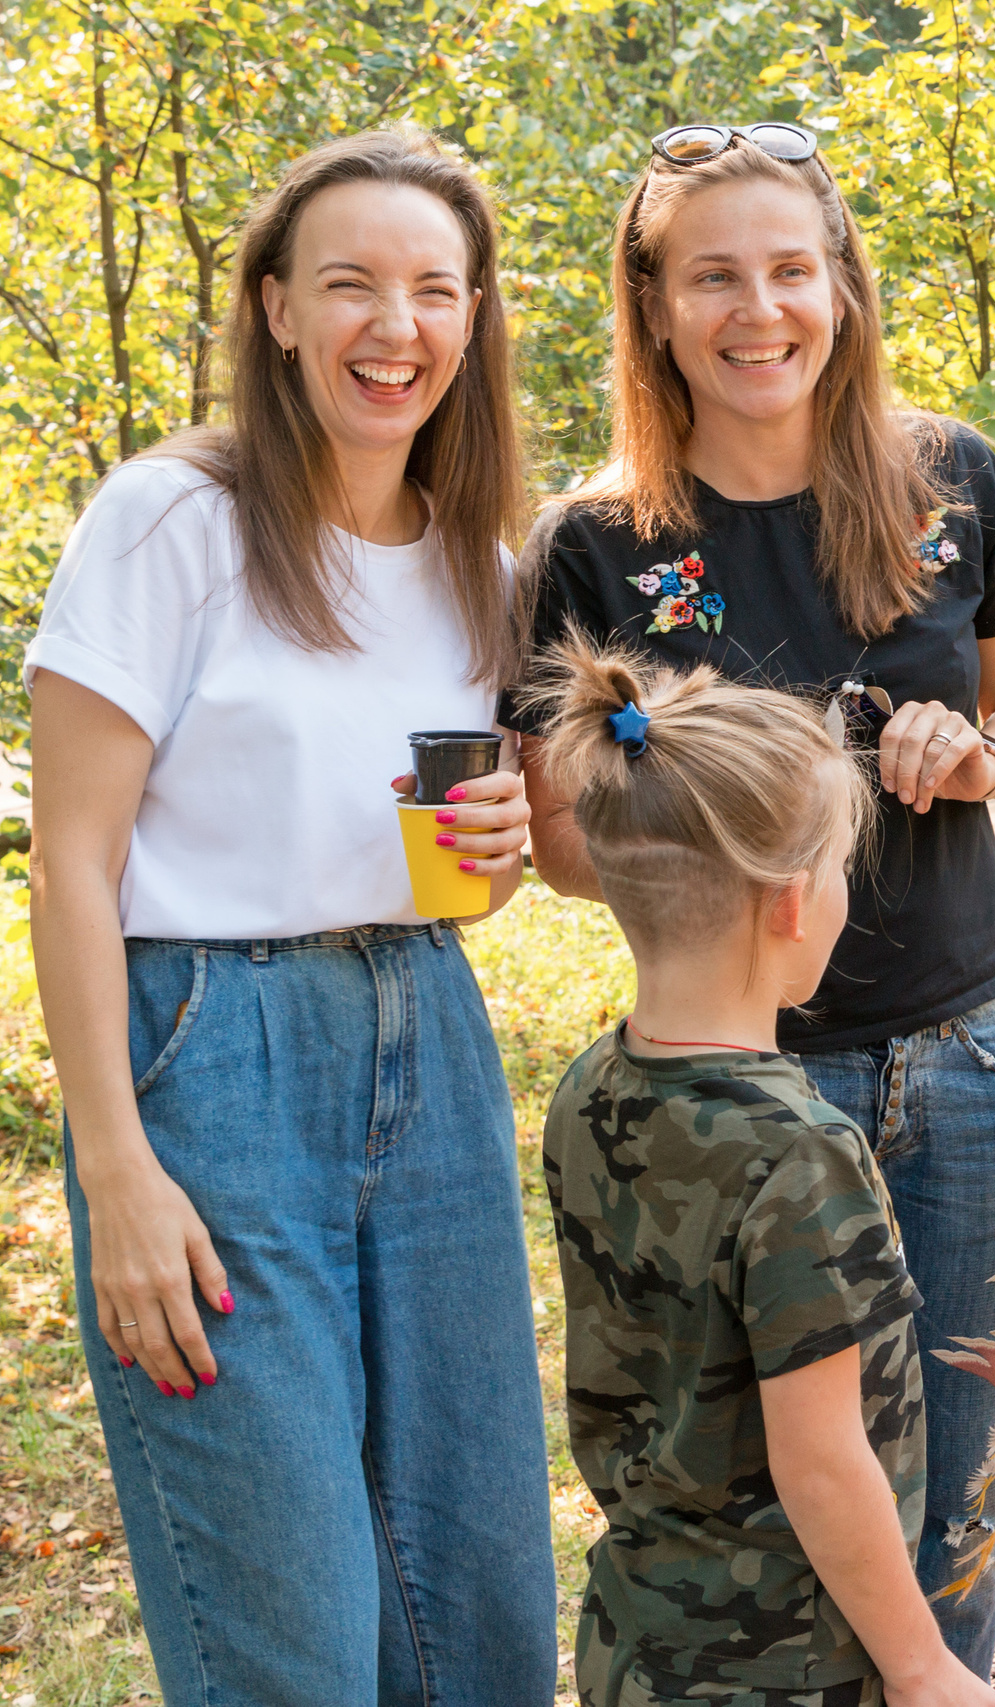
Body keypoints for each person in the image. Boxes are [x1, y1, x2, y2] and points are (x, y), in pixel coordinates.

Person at [507, 121, 995, 1670]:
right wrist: (702, 829)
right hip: (734, 1095)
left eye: (790, 270)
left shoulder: (950, 478)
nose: (760, 311)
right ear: (652, 302)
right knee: (768, 1501)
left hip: (968, 1058)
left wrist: (984, 756)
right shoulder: (589, 545)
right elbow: (564, 842)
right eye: (714, 277)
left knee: (955, 1494)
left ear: (841, 286)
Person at [25, 128, 555, 1704]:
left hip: (429, 1039)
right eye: (349, 285)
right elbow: (70, 860)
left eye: (434, 289)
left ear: (472, 319)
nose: (395, 326)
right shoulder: (169, 518)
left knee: (476, 1599)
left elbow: (469, 870)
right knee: (296, 1627)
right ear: (273, 307)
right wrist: (116, 1170)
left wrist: (505, 844)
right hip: (213, 1061)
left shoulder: (482, 562)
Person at [526, 636, 995, 1707]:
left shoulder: (591, 1084)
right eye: (839, 871)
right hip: (788, 1669)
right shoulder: (801, 1152)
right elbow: (822, 1461)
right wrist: (923, 1665)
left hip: (638, 1643)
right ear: (792, 902)